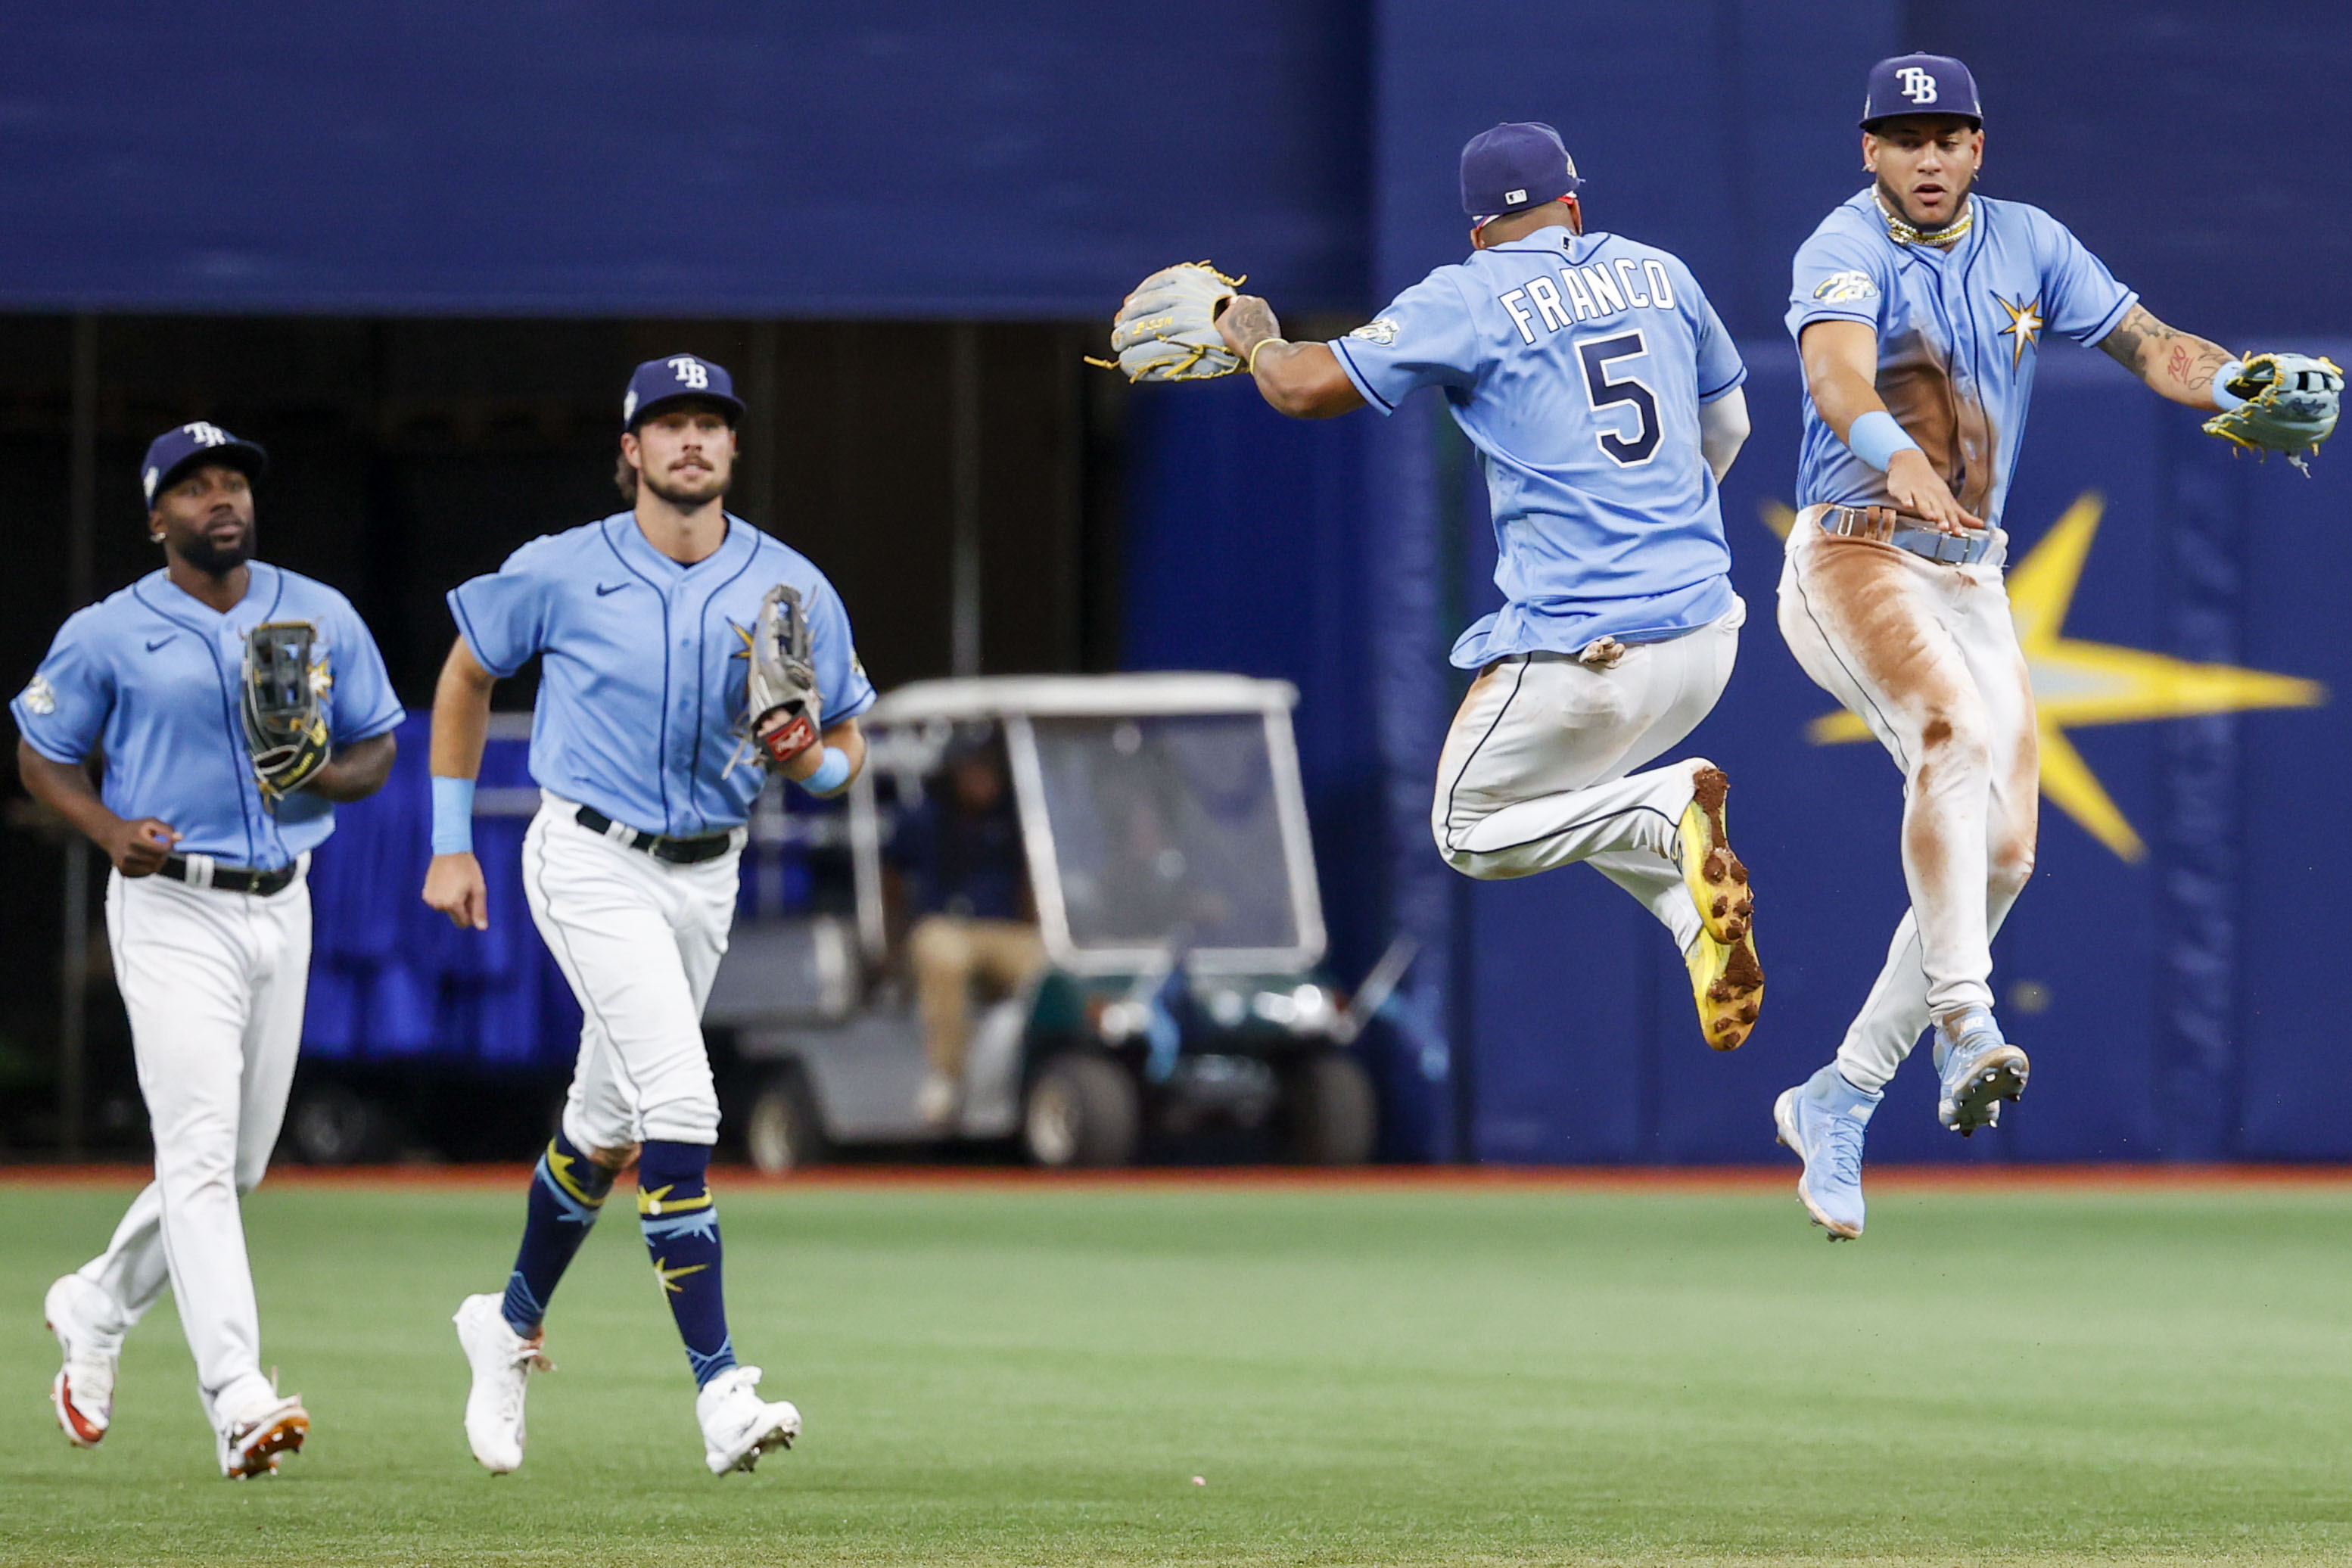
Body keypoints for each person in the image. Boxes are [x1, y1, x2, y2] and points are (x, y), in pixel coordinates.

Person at [1770, 54, 2340, 1238]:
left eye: (1949, 135)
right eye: (1904, 136)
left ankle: (1843, 1090)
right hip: (1853, 552)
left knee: (2008, 859)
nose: (1928, 156)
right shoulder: (1843, 244)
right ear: (1867, 151)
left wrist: (2231, 376)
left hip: (1969, 574)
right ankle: (1967, 1026)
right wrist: (1902, 453)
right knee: (1950, 734)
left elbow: (2145, 343)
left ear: (1980, 147)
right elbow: (1831, 373)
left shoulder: (2030, 240)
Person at [1214, 121, 1764, 1050]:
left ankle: (1670, 805)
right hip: (1708, 635)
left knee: (1470, 827)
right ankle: (1691, 924)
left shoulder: (1470, 294)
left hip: (1588, 651)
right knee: (1583, 791)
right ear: (1575, 207)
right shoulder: (1661, 271)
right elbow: (1733, 426)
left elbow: (1306, 387)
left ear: (1476, 232)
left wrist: (1257, 341)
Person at [424, 353, 875, 1475]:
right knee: (683, 1097)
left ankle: (507, 1322)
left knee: (606, 1124)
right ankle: (721, 1391)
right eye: (667, 423)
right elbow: (466, 674)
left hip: (706, 874)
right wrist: (445, 843)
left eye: (710, 424)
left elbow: (852, 746)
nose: (691, 440)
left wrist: (813, 759)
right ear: (629, 449)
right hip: (587, 857)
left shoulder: (792, 586)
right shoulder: (564, 569)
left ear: (733, 449)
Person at [19, 422, 402, 1476]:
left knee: (236, 1165)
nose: (221, 497)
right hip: (172, 904)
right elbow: (40, 750)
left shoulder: (316, 611)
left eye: (233, 481)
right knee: (194, 1154)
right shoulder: (107, 631)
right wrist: (107, 831)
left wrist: (325, 774)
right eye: (194, 488)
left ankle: (95, 1303)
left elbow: (376, 747)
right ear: (158, 521)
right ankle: (237, 1394)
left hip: (285, 897)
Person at [885, 732, 1044, 1126]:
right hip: (945, 929)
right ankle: (947, 1076)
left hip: (1004, 933)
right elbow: (890, 875)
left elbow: (1033, 882)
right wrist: (892, 940)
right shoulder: (926, 817)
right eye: (974, 768)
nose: (983, 778)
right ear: (955, 771)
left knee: (1052, 963)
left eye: (990, 768)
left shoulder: (1017, 816)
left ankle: (1046, 1071)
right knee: (942, 951)